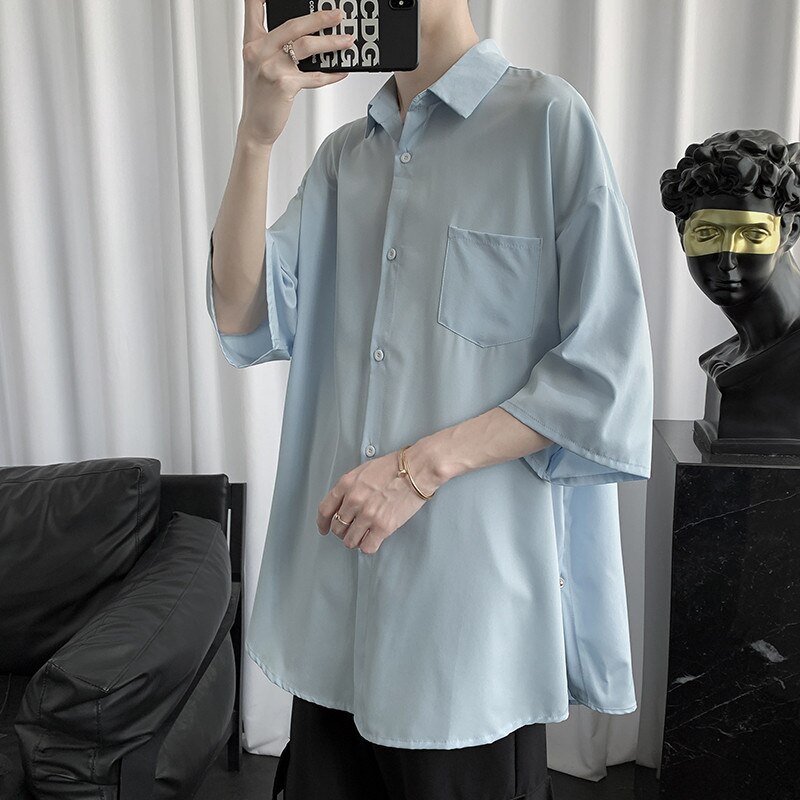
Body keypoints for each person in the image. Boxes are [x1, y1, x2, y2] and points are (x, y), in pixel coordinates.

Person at [206, 0, 654, 797]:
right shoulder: (346, 158)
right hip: (337, 619)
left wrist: (418, 468)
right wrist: (256, 137)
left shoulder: (546, 122)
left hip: (469, 637)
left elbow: (604, 370)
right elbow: (243, 314)